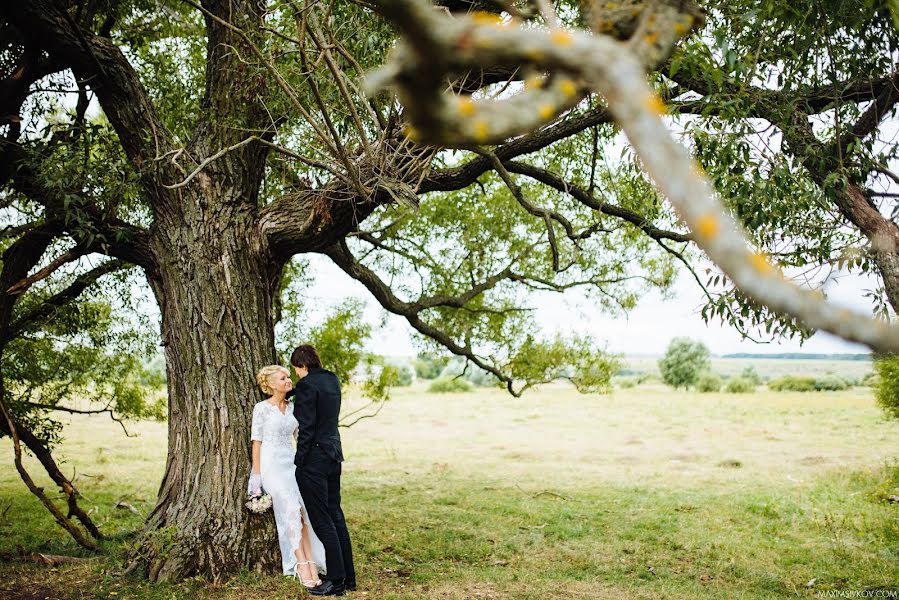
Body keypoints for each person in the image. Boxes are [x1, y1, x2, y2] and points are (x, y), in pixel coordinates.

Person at [249, 365, 326, 588]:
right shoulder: (261, 408)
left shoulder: (293, 408)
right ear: (272, 384)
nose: (288, 381)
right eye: (283, 378)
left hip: (292, 464)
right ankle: (299, 563)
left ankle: (311, 561)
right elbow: (257, 442)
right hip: (271, 466)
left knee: (302, 511)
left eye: (288, 377)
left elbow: (300, 437)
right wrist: (257, 475)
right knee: (290, 508)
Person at [291, 345, 356, 596]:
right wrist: (293, 392)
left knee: (322, 521)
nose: (296, 375)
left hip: (314, 460)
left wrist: (300, 462)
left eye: (296, 370)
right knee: (336, 516)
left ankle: (336, 581)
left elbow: (306, 428)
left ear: (301, 365)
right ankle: (348, 577)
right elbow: (315, 392)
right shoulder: (331, 379)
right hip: (333, 455)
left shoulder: (307, 385)